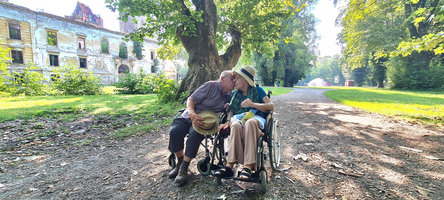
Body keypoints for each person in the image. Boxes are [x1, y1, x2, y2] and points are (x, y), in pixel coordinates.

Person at [168, 70, 235, 185]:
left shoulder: (231, 94)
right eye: (231, 79)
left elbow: (234, 109)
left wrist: (229, 106)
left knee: (195, 134)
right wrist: (192, 114)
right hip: (190, 116)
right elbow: (191, 100)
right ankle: (179, 162)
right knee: (175, 131)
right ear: (222, 79)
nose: (234, 82)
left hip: (205, 120)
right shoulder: (210, 86)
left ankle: (184, 168)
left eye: (235, 80)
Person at [212, 65, 274, 180]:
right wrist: (228, 122)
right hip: (240, 120)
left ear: (246, 80)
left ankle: (248, 167)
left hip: (255, 119)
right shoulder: (236, 94)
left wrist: (254, 104)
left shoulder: (258, 90)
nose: (234, 81)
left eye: (237, 78)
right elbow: (231, 111)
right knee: (235, 125)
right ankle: (229, 166)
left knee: (250, 123)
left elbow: (271, 106)